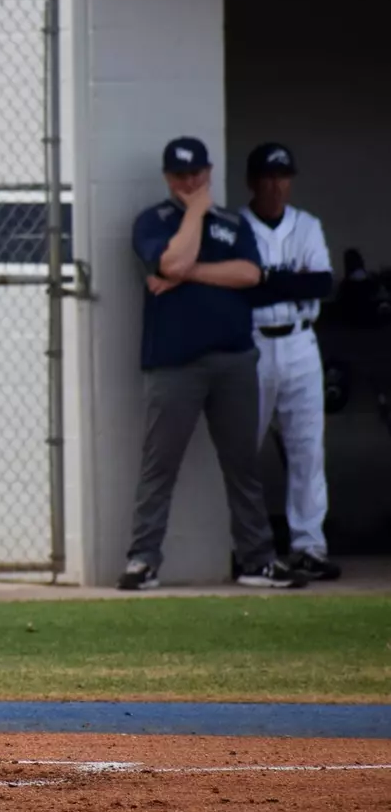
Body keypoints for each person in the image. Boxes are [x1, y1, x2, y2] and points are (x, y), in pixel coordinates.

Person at [122, 136, 302, 591]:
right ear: (168, 176)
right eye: (181, 175)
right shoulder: (153, 220)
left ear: (209, 171)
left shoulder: (232, 222)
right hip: (173, 363)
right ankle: (143, 560)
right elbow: (170, 259)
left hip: (234, 359)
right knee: (159, 464)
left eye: (197, 174)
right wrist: (195, 215)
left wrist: (185, 274)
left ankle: (257, 559)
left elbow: (249, 273)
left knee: (242, 462)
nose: (189, 182)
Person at [241, 143, 339, 582]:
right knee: (244, 449)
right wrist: (286, 281)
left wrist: (267, 280)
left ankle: (309, 545)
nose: (276, 186)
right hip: (253, 342)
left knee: (307, 448)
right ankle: (250, 547)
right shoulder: (236, 227)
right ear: (252, 182)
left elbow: (321, 283)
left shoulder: (308, 224)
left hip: (301, 343)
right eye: (267, 177)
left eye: (282, 177)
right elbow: (242, 292)